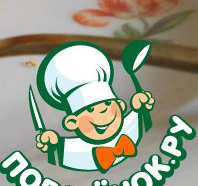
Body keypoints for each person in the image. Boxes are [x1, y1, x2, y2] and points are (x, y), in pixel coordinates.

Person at [34, 42, 155, 172]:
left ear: (121, 105)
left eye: (108, 104)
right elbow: (56, 153)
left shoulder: (131, 127)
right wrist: (52, 143)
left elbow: (142, 120)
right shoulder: (76, 151)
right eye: (90, 109)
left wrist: (140, 107)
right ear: (72, 123)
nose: (103, 111)